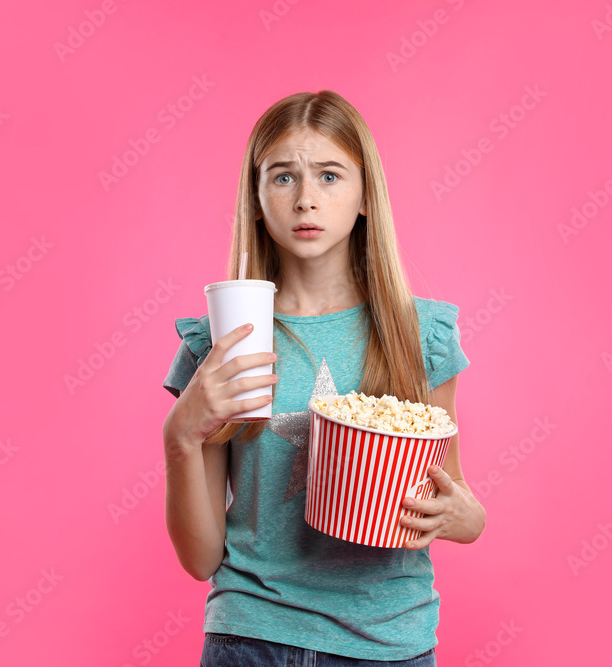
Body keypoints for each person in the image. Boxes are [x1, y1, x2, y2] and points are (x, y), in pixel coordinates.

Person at [161, 90, 486, 667]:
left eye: (330, 176)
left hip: (389, 643)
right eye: (283, 178)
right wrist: (179, 438)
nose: (307, 199)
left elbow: (455, 496)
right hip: (251, 637)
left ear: (365, 197)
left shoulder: (420, 336)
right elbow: (201, 558)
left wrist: (466, 520)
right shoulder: (221, 343)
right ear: (257, 199)